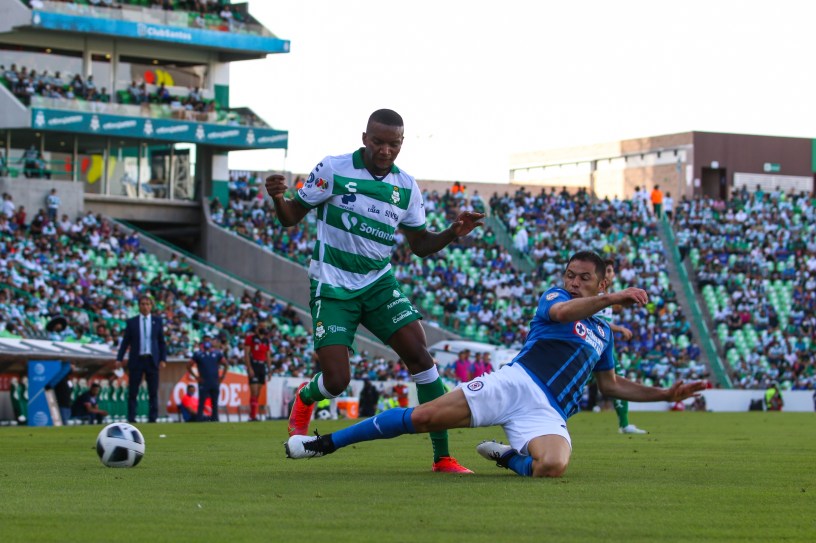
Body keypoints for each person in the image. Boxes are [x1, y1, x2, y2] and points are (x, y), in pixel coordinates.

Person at [285, 251, 705, 478]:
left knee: (553, 466)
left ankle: (507, 457)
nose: (573, 282)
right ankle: (323, 444)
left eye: (583, 278)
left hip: (548, 412)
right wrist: (610, 300)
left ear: (602, 281)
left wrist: (666, 394)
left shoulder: (603, 333)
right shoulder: (556, 299)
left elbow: (611, 386)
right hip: (515, 384)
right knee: (425, 417)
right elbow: (563, 314)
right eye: (570, 274)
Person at [266, 108, 484, 473]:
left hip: (378, 284)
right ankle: (306, 396)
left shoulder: (406, 187)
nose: (386, 150)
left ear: (402, 143)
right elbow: (291, 217)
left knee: (422, 359)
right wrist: (278, 198)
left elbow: (419, 244)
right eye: (379, 142)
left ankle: (443, 457)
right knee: (337, 381)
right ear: (365, 138)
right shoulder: (334, 169)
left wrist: (451, 232)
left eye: (393, 144)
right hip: (332, 286)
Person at [599, 259, 648, 435]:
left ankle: (625, 424)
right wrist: (619, 328)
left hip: (604, 346)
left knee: (618, 379)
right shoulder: (597, 295)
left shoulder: (606, 294)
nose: (611, 274)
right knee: (576, 384)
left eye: (612, 271)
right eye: (608, 270)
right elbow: (597, 322)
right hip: (594, 347)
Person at [115, 295, 168, 423]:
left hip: (152, 360)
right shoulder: (132, 322)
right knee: (133, 391)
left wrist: (163, 359)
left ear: (151, 306)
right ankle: (131, 418)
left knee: (153, 391)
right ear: (139, 306)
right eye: (143, 304)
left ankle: (153, 418)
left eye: (148, 304)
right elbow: (125, 342)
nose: (145, 306)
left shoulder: (157, 321)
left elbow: (161, 342)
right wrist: (119, 358)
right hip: (137, 360)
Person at [187, 339, 228, 422]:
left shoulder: (217, 353)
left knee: (214, 402)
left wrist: (222, 376)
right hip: (204, 381)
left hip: (214, 381)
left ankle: (215, 418)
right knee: (202, 401)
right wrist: (196, 377)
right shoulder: (198, 354)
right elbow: (188, 365)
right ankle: (199, 418)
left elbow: (226, 364)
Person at [244, 325, 272, 421]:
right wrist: (249, 368)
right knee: (254, 391)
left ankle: (253, 415)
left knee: (258, 393)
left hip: (262, 366)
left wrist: (269, 370)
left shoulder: (266, 340)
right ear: (256, 329)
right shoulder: (250, 338)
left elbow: (268, 356)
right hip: (254, 365)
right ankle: (252, 416)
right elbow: (246, 354)